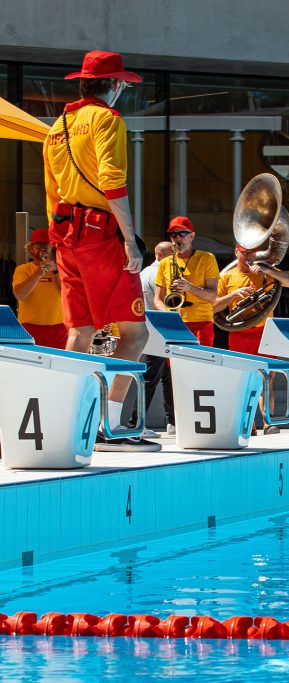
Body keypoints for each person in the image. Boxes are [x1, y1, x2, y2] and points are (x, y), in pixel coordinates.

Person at [42, 50, 157, 452]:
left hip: (66, 237)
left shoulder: (57, 126)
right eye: (123, 84)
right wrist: (129, 238)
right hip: (99, 234)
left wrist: (61, 239)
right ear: (116, 85)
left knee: (81, 332)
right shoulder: (107, 120)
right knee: (136, 333)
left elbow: (53, 192)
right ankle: (108, 423)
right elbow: (113, 180)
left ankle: (70, 419)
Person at [214, 244, 289, 355]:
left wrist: (269, 271)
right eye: (245, 253)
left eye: (252, 253)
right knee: (240, 370)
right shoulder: (226, 277)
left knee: (268, 370)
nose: (249, 256)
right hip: (239, 332)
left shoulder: (264, 271)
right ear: (236, 252)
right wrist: (232, 295)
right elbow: (213, 308)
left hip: (265, 331)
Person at [154, 216, 219, 346]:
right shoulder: (165, 263)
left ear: (192, 236)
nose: (177, 238)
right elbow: (157, 299)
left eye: (182, 234)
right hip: (175, 323)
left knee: (201, 363)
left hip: (201, 322)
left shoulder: (207, 258)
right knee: (173, 364)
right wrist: (167, 314)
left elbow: (212, 296)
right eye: (173, 235)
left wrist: (189, 287)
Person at [135, 241, 174, 437]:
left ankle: (173, 421)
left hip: (147, 328)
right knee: (151, 377)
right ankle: (137, 422)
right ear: (160, 255)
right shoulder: (160, 273)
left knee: (167, 376)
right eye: (171, 253)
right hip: (159, 328)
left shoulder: (143, 273)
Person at [12, 228, 67, 349]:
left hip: (59, 329)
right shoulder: (23, 269)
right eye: (38, 245)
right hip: (29, 328)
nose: (42, 249)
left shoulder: (61, 269)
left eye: (46, 245)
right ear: (30, 248)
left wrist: (56, 270)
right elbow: (20, 295)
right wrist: (39, 272)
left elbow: (67, 294)